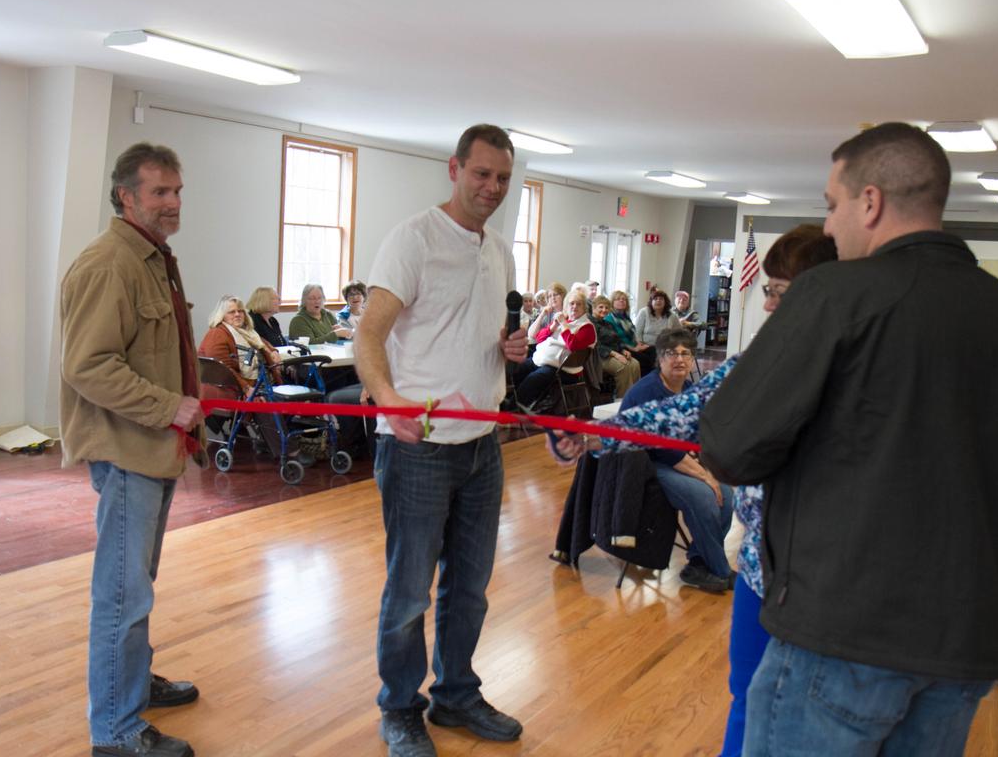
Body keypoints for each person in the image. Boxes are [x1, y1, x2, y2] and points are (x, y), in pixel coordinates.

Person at [700, 123, 998, 755]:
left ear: (870, 203)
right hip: (965, 643)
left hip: (843, 633)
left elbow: (730, 446)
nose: (830, 227)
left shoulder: (834, 295)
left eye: (832, 206)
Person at [547, 224, 839, 756]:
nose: (769, 305)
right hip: (759, 563)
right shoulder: (761, 360)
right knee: (747, 693)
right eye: (767, 290)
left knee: (813, 712)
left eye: (780, 292)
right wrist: (596, 437)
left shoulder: (861, 370)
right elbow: (681, 412)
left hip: (829, 577)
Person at [356, 123, 528, 757]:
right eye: (481, 174)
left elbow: (484, 336)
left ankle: (456, 693)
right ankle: (400, 707)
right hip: (418, 446)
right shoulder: (413, 239)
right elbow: (369, 336)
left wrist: (509, 348)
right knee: (409, 590)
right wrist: (387, 397)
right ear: (454, 169)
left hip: (483, 443)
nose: (492, 187)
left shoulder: (499, 250)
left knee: (471, 587)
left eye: (503, 178)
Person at [61, 142, 204, 757]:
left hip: (156, 450)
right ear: (126, 195)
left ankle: (132, 682)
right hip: (126, 450)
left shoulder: (153, 258)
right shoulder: (108, 264)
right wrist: (167, 406)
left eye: (177, 190)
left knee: (136, 582)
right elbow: (86, 366)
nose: (173, 203)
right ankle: (115, 731)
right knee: (121, 592)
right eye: (159, 192)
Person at [622, 328, 732, 591]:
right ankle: (721, 571)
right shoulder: (648, 392)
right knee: (706, 497)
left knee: (727, 497)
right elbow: (664, 451)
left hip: (677, 459)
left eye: (685, 353)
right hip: (642, 465)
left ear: (693, 359)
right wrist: (705, 475)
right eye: (672, 353)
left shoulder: (689, 389)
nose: (679, 359)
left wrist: (713, 471)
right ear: (660, 359)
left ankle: (698, 563)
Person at [512, 290, 597, 409]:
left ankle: (512, 409)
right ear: (566, 306)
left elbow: (572, 345)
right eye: (571, 304)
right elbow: (539, 338)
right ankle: (507, 403)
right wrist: (553, 327)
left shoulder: (587, 327)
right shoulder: (564, 320)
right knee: (515, 370)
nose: (574, 307)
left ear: (584, 308)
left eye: (579, 304)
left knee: (533, 380)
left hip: (562, 369)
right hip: (541, 360)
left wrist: (563, 325)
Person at [198, 295, 282, 396]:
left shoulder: (247, 331)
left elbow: (262, 342)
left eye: (240, 311)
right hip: (238, 391)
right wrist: (246, 388)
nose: (237, 314)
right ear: (222, 315)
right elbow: (222, 369)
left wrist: (273, 350)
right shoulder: (217, 334)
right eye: (232, 312)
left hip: (264, 384)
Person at [590, 294, 640, 398]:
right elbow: (595, 346)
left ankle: (634, 398)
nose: (604, 310)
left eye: (607, 307)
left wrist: (623, 350)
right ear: (594, 308)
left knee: (635, 364)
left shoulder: (607, 323)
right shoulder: (590, 324)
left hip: (613, 354)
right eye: (601, 307)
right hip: (598, 357)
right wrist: (616, 355)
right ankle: (621, 400)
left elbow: (617, 340)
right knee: (623, 367)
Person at [633, 289, 680, 370]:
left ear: (665, 302)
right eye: (655, 299)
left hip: (665, 347)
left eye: (661, 299)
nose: (658, 301)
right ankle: (655, 378)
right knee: (653, 354)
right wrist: (640, 344)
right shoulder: (644, 312)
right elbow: (637, 332)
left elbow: (679, 333)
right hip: (646, 346)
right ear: (651, 301)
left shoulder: (672, 316)